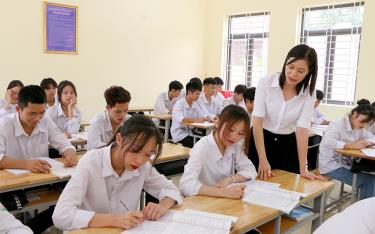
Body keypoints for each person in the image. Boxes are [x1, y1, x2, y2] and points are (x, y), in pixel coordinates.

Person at [52, 115, 182, 231]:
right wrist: (115, 219)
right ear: (119, 139)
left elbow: (170, 188)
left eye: (148, 154)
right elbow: (61, 215)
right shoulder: (91, 162)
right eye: (135, 150)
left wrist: (162, 206)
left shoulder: (143, 167)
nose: (141, 160)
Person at [249, 44, 324, 180]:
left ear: (309, 71)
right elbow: (257, 123)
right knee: (256, 187)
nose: (293, 74)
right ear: (285, 63)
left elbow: (302, 131)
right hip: (261, 141)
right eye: (291, 67)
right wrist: (263, 159)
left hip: (288, 143)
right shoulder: (266, 82)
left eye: (301, 71)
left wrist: (303, 168)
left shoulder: (309, 93)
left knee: (287, 189)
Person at [179, 105, 257, 198]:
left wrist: (230, 179)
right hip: (202, 201)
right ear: (217, 123)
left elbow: (250, 169)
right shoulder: (202, 147)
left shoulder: (234, 145)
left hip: (224, 200)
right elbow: (185, 185)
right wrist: (223, 192)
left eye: (240, 133)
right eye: (231, 130)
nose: (234, 137)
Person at [319, 102, 375, 199]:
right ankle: (363, 212)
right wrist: (349, 146)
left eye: (367, 123)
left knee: (373, 177)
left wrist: (368, 142)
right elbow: (327, 141)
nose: (364, 125)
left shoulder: (359, 127)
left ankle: (366, 209)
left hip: (347, 162)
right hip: (331, 165)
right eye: (363, 121)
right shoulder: (337, 124)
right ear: (355, 114)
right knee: (369, 182)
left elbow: (372, 137)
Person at [87, 86, 131, 150]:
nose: (122, 115)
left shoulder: (129, 120)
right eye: (118, 111)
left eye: (125, 110)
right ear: (108, 108)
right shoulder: (97, 121)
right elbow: (93, 147)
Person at [171, 81, 211, 147]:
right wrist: (197, 120)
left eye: (199, 94)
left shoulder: (194, 104)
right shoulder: (179, 104)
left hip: (191, 132)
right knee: (200, 144)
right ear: (189, 92)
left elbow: (202, 114)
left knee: (207, 140)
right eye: (197, 94)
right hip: (180, 134)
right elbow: (182, 120)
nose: (198, 96)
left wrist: (208, 118)